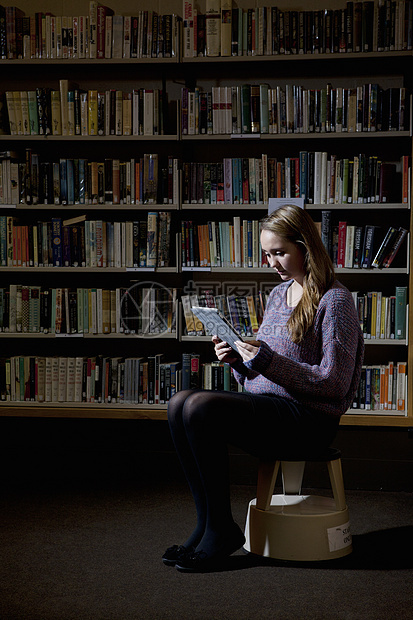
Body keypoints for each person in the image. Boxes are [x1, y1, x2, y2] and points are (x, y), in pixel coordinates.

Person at [162, 204, 364, 573]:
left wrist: (268, 360)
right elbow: (261, 376)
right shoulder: (277, 295)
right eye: (267, 253)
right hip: (272, 409)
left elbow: (333, 383)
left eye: (279, 252)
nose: (271, 262)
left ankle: (221, 530)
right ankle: (207, 525)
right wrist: (239, 361)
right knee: (179, 403)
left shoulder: (335, 301)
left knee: (199, 407)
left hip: (309, 421)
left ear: (305, 247)